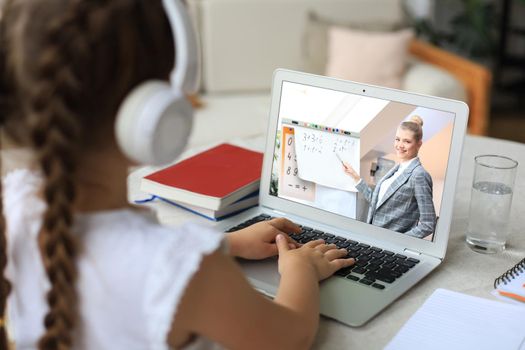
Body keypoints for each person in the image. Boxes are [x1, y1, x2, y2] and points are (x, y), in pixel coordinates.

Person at [0, 1, 355, 349]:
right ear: (156, 115)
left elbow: (116, 256)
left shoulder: (13, 204)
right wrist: (301, 270)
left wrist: (228, 244)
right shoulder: (188, 271)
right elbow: (288, 337)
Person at [342, 116, 436, 239]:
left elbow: (428, 224)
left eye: (407, 141)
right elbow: (377, 202)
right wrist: (355, 177)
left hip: (389, 246)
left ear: (419, 144)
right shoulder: (396, 169)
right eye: (397, 139)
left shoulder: (419, 175)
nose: (400, 145)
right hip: (371, 237)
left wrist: (397, 242)